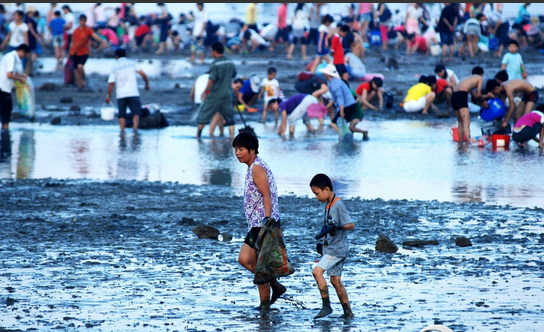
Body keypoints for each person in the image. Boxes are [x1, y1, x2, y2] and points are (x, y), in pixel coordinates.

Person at [232, 131, 285, 311]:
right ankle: (274, 288)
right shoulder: (252, 167)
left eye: (241, 149)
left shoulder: (257, 168)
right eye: (236, 149)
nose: (237, 153)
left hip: (262, 223)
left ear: (252, 150)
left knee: (248, 260)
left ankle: (265, 303)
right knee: (253, 263)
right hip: (256, 223)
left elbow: (266, 196)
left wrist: (267, 222)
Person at [309, 173, 355, 319]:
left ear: (327, 189)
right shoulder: (329, 204)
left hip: (336, 251)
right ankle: (348, 312)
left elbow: (351, 225)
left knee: (317, 272)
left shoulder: (338, 205)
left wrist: (339, 227)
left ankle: (326, 306)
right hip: (332, 249)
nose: (316, 197)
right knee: (335, 281)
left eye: (317, 194)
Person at [196, 42, 237, 139]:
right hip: (227, 94)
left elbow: (212, 79)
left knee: (204, 116)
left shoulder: (215, 64)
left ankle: (198, 136)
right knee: (229, 118)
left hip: (216, 95)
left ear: (214, 51)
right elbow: (234, 74)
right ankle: (232, 138)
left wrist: (205, 91)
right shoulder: (230, 62)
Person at [105, 48, 150, 133]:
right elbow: (143, 74)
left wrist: (108, 95)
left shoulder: (115, 66)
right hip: (133, 92)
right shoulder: (132, 63)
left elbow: (111, 83)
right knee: (136, 113)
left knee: (122, 114)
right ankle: (135, 130)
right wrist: (146, 83)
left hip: (121, 94)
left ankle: (122, 132)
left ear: (116, 56)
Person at [320, 64, 368, 139]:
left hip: (347, 106)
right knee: (343, 123)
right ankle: (346, 136)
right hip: (348, 106)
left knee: (333, 123)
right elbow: (334, 98)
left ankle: (343, 136)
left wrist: (341, 111)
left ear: (328, 74)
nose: (323, 74)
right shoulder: (331, 82)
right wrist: (327, 106)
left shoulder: (335, 84)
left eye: (325, 73)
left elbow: (340, 98)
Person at [69, 15, 108, 90]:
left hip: (84, 51)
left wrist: (102, 41)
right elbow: (72, 42)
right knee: (76, 69)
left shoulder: (88, 30)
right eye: (81, 20)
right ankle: (79, 85)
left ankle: (83, 80)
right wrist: (69, 53)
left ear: (85, 21)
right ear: (79, 21)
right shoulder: (75, 30)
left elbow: (94, 36)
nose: (82, 22)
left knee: (80, 66)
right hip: (74, 51)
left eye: (83, 20)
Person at [451, 66, 486, 143]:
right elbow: (478, 95)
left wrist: (479, 102)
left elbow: (474, 96)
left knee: (460, 122)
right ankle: (469, 144)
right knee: (467, 122)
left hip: (454, 95)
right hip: (461, 95)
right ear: (481, 74)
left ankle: (460, 144)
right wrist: (484, 101)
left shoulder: (467, 79)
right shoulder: (479, 78)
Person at [0, 44, 30, 130]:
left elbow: (13, 72)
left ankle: (4, 128)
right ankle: (5, 129)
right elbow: (9, 74)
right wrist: (20, 79)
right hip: (3, 86)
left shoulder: (12, 56)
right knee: (6, 109)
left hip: (5, 86)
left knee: (6, 108)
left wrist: (21, 75)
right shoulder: (12, 58)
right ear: (22, 51)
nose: (23, 57)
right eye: (24, 55)